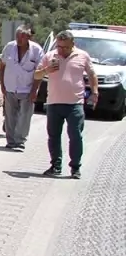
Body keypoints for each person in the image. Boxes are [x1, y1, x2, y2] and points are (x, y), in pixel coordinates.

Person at [36, 30, 98, 179]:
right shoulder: (49, 56)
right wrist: (46, 70)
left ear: (73, 45)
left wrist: (95, 92)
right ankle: (55, 166)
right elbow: (36, 75)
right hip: (54, 103)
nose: (61, 50)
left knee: (75, 136)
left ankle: (75, 168)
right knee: (53, 136)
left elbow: (91, 74)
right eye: (59, 46)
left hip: (75, 103)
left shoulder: (82, 56)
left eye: (65, 47)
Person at [0, 25, 44, 149]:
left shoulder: (36, 50)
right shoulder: (9, 47)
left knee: (24, 115)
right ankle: (10, 141)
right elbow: (2, 65)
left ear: (29, 37)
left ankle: (20, 141)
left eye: (22, 37)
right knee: (10, 115)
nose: (19, 39)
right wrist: (2, 84)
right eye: (17, 36)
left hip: (27, 88)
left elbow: (39, 72)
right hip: (10, 87)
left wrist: (34, 90)